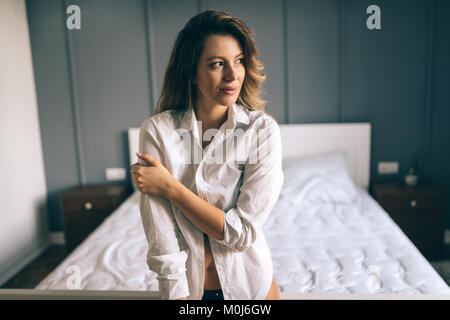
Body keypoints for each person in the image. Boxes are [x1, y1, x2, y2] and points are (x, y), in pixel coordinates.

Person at [131, 9, 284, 300]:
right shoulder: (158, 132)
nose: (232, 74)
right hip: (189, 289)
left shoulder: (261, 131)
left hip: (251, 287)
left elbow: (242, 233)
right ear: (190, 72)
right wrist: (177, 296)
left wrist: (170, 188)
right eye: (216, 64)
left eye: (239, 61)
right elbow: (162, 236)